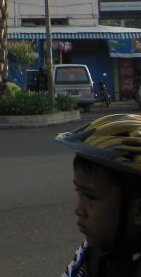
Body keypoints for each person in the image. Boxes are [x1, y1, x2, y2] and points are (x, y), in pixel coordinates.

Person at [56, 113, 141, 275]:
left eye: (91, 197)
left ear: (138, 210)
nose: (79, 210)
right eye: (78, 191)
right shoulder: (94, 248)